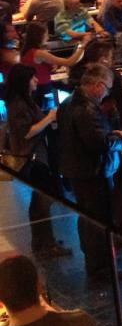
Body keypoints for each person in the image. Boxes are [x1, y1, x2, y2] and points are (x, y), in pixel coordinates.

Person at [58, 64, 122, 282]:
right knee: (99, 220)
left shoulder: (70, 102)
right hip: (91, 172)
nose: (107, 93)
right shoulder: (87, 109)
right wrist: (120, 140)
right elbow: (99, 144)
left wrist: (109, 132)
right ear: (98, 86)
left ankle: (96, 264)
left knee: (88, 219)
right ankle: (101, 269)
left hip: (77, 170)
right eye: (107, 88)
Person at [1, 64, 70, 259]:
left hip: (37, 157)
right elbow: (27, 132)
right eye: (32, 78)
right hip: (33, 159)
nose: (36, 81)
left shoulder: (24, 101)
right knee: (43, 201)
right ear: (24, 81)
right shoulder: (18, 105)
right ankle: (46, 244)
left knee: (39, 202)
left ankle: (41, 242)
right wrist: (49, 118)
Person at [20, 21, 87, 100]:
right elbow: (69, 62)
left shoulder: (26, 51)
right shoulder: (38, 53)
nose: (48, 38)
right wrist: (84, 45)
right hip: (42, 88)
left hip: (35, 88)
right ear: (39, 36)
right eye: (46, 35)